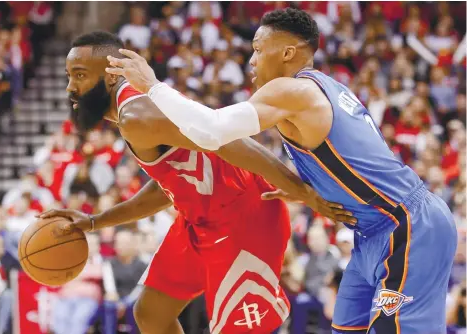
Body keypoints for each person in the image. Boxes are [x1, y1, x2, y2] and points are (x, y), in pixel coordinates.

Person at [108, 8, 458, 334]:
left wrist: (153, 86)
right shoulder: (325, 87)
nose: (252, 60)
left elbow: (211, 131)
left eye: (259, 49)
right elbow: (354, 159)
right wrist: (309, 186)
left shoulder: (292, 90)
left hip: (407, 224)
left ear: (288, 53)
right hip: (371, 232)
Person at [38, 31, 355, 334]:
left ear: (109, 75)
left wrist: (302, 191)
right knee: (150, 314)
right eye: (69, 76)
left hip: (241, 217)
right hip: (201, 218)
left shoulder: (137, 114)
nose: (70, 87)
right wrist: (95, 221)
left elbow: (229, 140)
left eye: (79, 75)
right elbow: (171, 186)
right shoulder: (131, 112)